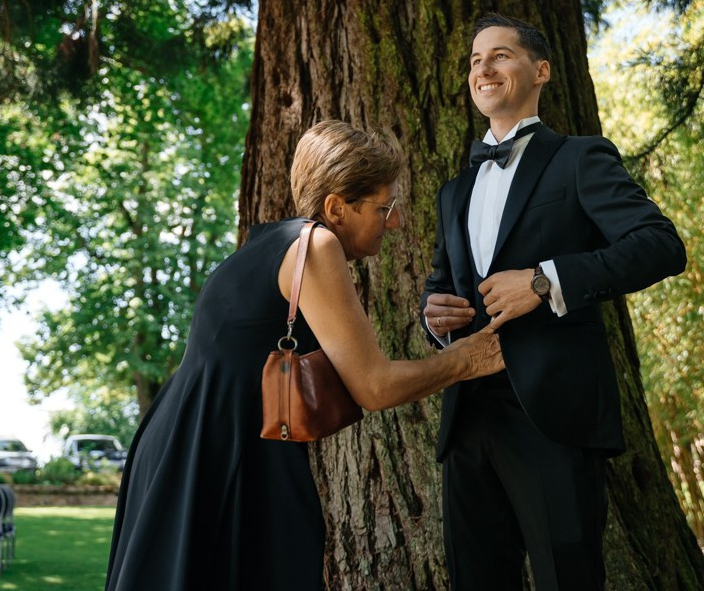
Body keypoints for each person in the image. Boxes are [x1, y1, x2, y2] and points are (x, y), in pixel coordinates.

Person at [105, 120, 505, 591]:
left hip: (190, 443)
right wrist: (470, 358)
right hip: (222, 451)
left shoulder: (266, 245)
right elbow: (374, 386)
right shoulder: (316, 244)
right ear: (337, 207)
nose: (395, 221)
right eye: (384, 207)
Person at [421, 13, 687, 590]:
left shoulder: (579, 158)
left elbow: (661, 246)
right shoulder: (453, 192)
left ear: (540, 71)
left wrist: (543, 281)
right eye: (474, 60)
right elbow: (441, 282)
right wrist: (434, 314)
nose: (482, 69)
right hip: (467, 415)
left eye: (499, 55)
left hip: (554, 414)